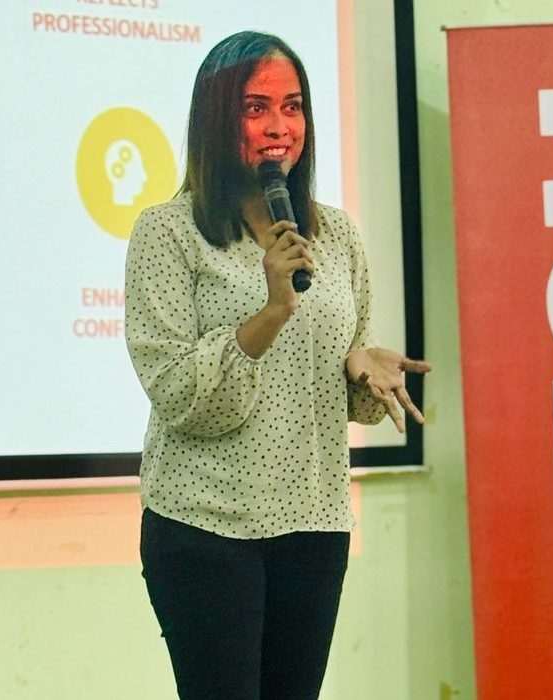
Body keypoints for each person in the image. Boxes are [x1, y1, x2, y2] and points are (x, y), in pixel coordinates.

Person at [124, 30, 431, 700]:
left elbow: (345, 369)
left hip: (313, 524)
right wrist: (270, 312)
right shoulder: (167, 232)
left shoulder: (337, 234)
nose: (278, 127)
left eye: (292, 107)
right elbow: (180, 396)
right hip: (205, 526)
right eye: (255, 108)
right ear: (215, 120)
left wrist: (358, 367)